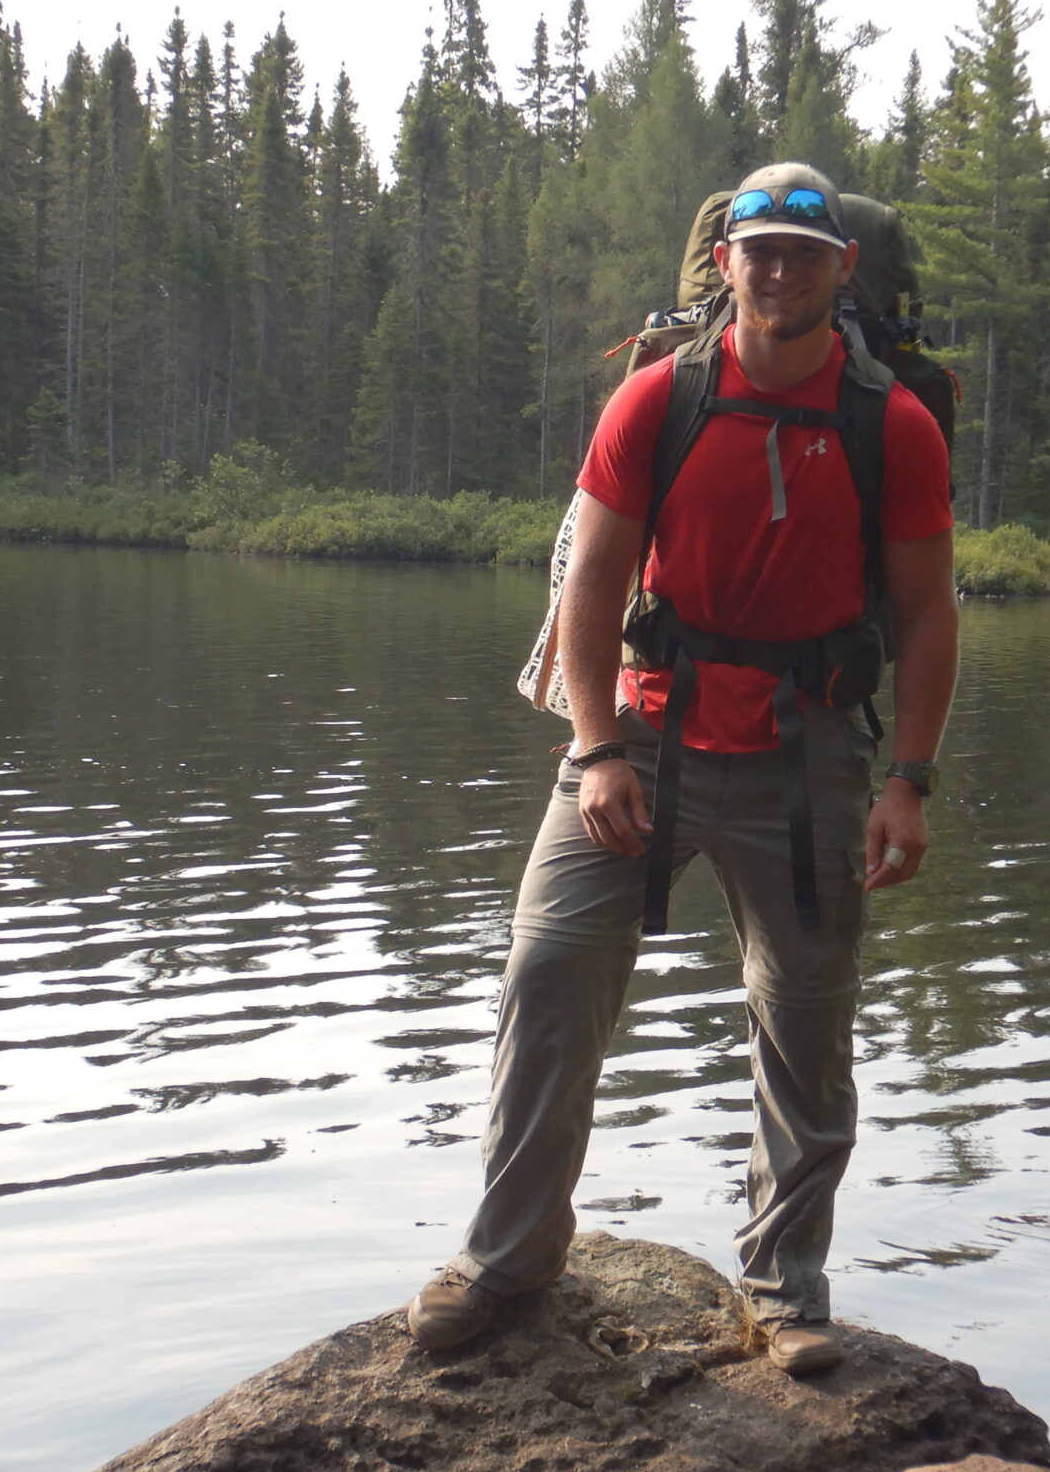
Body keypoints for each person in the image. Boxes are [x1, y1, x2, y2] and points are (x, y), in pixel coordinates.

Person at [407, 162, 959, 1376]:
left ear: (838, 271)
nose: (778, 271)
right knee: (548, 981)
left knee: (804, 1026)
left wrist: (907, 778)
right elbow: (591, 584)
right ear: (728, 265)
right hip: (643, 739)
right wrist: (594, 747)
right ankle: (510, 1259)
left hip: (810, 755)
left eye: (801, 254)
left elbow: (926, 615)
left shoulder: (892, 425)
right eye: (758, 251)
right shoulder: (659, 401)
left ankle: (784, 1290)